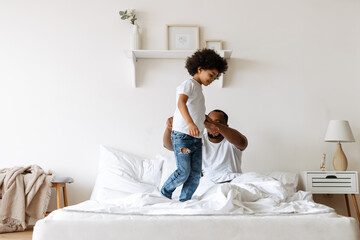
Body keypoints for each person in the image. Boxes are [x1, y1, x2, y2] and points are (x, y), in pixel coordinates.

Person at [160, 49, 228, 202]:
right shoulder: (189, 84)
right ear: (199, 69)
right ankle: (164, 193)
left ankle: (184, 201)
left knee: (195, 174)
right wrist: (189, 123)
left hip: (196, 138)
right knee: (183, 172)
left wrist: (208, 126)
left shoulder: (199, 90)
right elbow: (181, 103)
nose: (212, 79)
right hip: (183, 136)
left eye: (215, 77)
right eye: (211, 75)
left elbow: (198, 114)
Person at [163, 109, 248, 183]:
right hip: (209, 183)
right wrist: (169, 129)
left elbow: (242, 142)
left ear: (226, 126)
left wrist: (212, 123)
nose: (211, 126)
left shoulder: (231, 140)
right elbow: (170, 146)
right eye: (208, 121)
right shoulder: (199, 140)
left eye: (217, 122)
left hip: (233, 181)